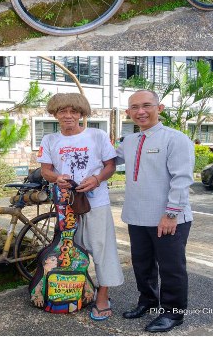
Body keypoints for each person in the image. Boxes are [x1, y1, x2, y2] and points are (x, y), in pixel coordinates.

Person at [37, 92, 124, 321]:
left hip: (96, 202)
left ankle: (103, 296)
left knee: (102, 250)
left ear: (81, 114)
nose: (68, 116)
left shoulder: (97, 135)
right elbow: (46, 169)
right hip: (66, 205)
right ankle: (78, 290)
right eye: (62, 111)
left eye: (73, 111)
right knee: (70, 250)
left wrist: (96, 179)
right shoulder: (50, 140)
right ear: (55, 114)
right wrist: (57, 178)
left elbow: (110, 165)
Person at [117, 90, 194, 333]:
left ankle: (173, 313)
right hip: (137, 216)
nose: (140, 111)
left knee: (171, 268)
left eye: (146, 105)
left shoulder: (175, 139)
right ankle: (148, 301)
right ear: (128, 113)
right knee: (142, 265)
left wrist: (171, 214)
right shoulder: (129, 142)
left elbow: (182, 179)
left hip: (168, 218)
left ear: (159, 108)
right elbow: (106, 159)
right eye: (134, 107)